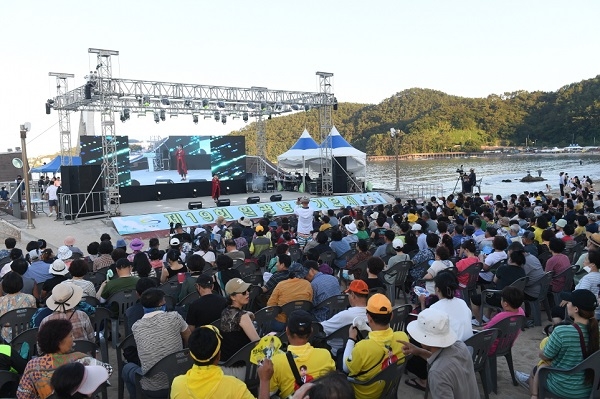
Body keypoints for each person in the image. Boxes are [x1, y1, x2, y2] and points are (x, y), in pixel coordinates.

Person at [518, 289, 599, 398]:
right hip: (590, 387)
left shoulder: (562, 332)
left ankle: (533, 392)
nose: (567, 304)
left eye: (569, 302)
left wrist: (543, 348)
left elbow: (545, 355)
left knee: (536, 371)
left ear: (576, 309)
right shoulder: (596, 331)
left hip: (563, 387)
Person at [17, 319, 112, 399]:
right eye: (71, 336)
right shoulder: (81, 361)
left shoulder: (32, 365)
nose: (73, 338)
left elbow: (23, 395)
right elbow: (107, 370)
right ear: (60, 342)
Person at [170, 325, 273, 399]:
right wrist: (264, 380)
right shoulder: (235, 386)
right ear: (219, 355)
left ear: (191, 354)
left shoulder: (177, 385)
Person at [123, 288, 191, 398]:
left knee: (126, 368)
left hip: (153, 388)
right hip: (180, 379)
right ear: (161, 302)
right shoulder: (175, 317)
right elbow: (189, 338)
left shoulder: (136, 327)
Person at [402, 308, 479, 398]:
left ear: (424, 339)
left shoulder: (437, 373)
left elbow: (441, 365)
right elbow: (442, 359)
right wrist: (419, 352)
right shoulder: (460, 346)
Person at [343, 294, 409, 399]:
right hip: (389, 389)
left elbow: (346, 368)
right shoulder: (403, 338)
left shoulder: (362, 347)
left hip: (364, 394)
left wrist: (351, 339)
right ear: (391, 316)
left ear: (368, 317)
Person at [269, 310, 335, 398]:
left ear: (287, 331)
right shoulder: (325, 355)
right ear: (311, 331)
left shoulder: (276, 361)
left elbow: (269, 393)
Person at [220, 278, 260, 366]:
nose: (247, 293)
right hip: (243, 366)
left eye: (248, 290)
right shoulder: (242, 316)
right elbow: (257, 343)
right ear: (232, 297)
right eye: (243, 292)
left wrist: (248, 313)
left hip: (226, 363)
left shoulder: (225, 312)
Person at [267, 263, 313, 331]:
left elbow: (270, 305)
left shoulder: (281, 285)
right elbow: (309, 304)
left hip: (280, 324)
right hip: (300, 323)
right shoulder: (308, 285)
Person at [0, 272, 36, 342]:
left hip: (6, 339)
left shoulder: (1, 301)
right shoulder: (30, 298)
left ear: (4, 286)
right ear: (21, 284)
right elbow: (34, 316)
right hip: (26, 334)